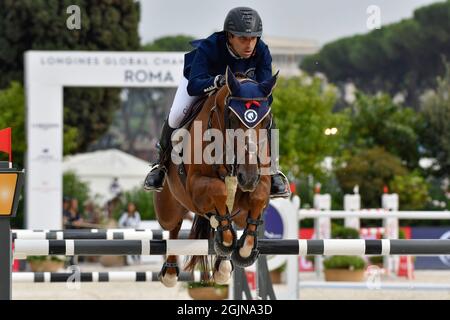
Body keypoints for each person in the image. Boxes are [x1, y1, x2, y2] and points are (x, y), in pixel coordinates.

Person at [143, 7, 290, 198]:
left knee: (266, 114)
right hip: (200, 83)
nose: (249, 45)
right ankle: (160, 165)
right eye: (243, 39)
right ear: (229, 36)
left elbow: (265, 95)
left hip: (239, 97)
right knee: (178, 113)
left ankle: (273, 169)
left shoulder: (262, 51)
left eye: (253, 38)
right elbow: (194, 86)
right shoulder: (210, 47)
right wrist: (217, 81)